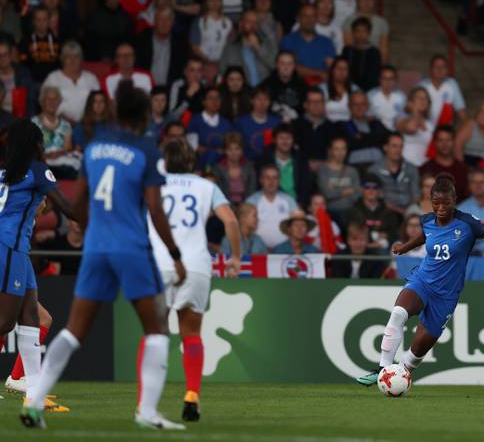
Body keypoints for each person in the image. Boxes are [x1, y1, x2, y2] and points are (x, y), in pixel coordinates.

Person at [23, 81, 186, 430]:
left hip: (96, 247)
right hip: (131, 249)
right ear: (143, 116)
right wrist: (174, 253)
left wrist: (86, 226)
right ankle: (147, 412)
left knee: (73, 331)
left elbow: (79, 204)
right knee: (157, 330)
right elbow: (156, 211)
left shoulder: (95, 148)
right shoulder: (147, 151)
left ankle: (34, 403)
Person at [355, 174, 484, 386]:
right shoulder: (426, 220)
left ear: (455, 201)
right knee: (398, 313)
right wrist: (405, 247)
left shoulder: (468, 223)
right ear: (430, 201)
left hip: (446, 294)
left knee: (419, 348)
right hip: (423, 280)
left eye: (446, 203)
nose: (441, 207)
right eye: (436, 203)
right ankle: (382, 369)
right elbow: (424, 236)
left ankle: (402, 373)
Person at [148, 138, 240, 422]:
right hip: (197, 265)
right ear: (191, 162)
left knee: (154, 335)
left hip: (160, 263)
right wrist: (235, 257)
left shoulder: (154, 185)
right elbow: (232, 221)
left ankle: (147, 402)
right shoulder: (206, 186)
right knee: (191, 334)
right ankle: (192, 394)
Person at [0, 120, 81, 411]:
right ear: (35, 144)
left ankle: (34, 395)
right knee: (6, 322)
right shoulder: (37, 169)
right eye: (40, 141)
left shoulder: (4, 174)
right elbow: (67, 207)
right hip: (9, 247)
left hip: (14, 248)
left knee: (32, 317)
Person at [41, 41, 100, 124]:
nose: (72, 60)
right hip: (58, 123)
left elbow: (99, 102)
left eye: (76, 57)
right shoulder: (53, 78)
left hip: (89, 124)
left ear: (81, 59)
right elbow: (44, 103)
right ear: (62, 59)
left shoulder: (91, 78)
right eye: (68, 57)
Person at [245, 165, 299, 250]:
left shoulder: (289, 200)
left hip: (284, 250)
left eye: (275, 178)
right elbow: (245, 227)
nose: (271, 181)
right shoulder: (252, 201)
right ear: (261, 180)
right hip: (258, 250)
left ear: (279, 181)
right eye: (267, 178)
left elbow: (297, 224)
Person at [369, 132, 419, 217]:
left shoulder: (411, 168)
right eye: (394, 146)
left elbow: (416, 194)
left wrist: (410, 211)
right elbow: (376, 196)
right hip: (385, 212)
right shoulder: (374, 170)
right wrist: (400, 211)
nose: (398, 150)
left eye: (401, 146)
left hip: (409, 212)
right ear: (385, 147)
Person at [346, 175, 402, 251]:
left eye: (375, 187)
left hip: (384, 248)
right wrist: (377, 236)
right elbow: (353, 232)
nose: (371, 190)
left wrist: (383, 242)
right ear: (362, 189)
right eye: (367, 187)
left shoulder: (388, 211)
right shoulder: (354, 210)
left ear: (379, 190)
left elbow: (395, 234)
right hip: (361, 248)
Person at [316, 136, 362, 223]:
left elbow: (357, 195)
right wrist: (347, 191)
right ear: (331, 151)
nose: (340, 153)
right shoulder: (323, 170)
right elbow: (328, 194)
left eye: (343, 149)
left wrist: (336, 191)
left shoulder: (352, 171)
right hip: (331, 212)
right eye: (336, 149)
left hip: (351, 211)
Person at [421, 125, 470, 201]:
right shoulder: (425, 169)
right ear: (435, 142)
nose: (445, 144)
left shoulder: (464, 169)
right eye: (441, 140)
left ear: (454, 141)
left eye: (448, 140)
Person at [235, 85, 280, 161]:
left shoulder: (276, 122)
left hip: (270, 165)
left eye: (266, 99)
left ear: (270, 102)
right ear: (251, 101)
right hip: (247, 165)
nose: (262, 103)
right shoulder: (240, 123)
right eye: (258, 99)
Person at [211, 132, 257, 205]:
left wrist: (244, 208)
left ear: (242, 150)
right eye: (230, 149)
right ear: (225, 151)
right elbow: (218, 194)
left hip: (246, 207)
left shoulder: (249, 167)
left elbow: (251, 191)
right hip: (225, 206)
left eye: (237, 149)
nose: (234, 152)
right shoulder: (218, 169)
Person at [367, 66, 406, 132]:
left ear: (396, 80)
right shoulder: (370, 95)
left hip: (396, 131)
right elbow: (367, 116)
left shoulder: (401, 96)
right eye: (384, 78)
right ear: (379, 79)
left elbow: (404, 116)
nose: (388, 82)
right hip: (376, 131)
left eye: (391, 79)